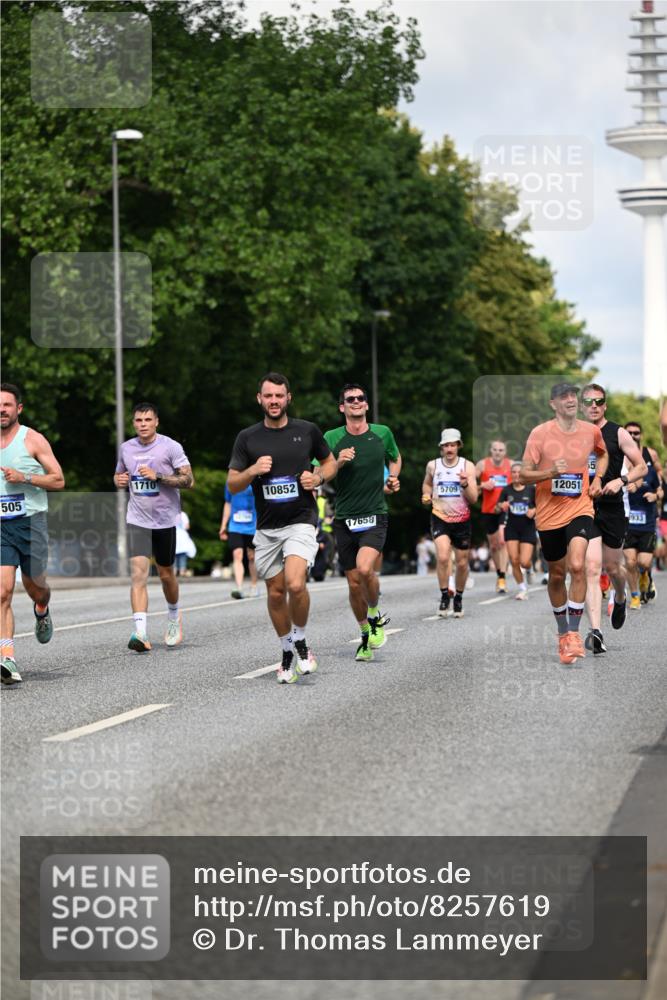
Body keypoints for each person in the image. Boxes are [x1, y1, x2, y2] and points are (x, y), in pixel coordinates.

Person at [227, 372, 336, 684]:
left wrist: (318, 477)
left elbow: (329, 463)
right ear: (259, 399)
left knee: (296, 584)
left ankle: (300, 640)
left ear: (288, 398)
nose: (273, 401)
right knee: (276, 593)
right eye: (268, 396)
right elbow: (233, 484)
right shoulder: (247, 438)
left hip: (300, 521)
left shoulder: (307, 431)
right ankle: (287, 650)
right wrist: (252, 470)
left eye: (279, 395)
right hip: (267, 528)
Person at [520, 383, 607, 664]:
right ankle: (562, 632)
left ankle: (573, 633)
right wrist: (548, 473)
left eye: (573, 396)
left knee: (578, 565)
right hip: (548, 515)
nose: (570, 400)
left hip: (580, 508)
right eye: (563, 397)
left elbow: (602, 454)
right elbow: (522, 475)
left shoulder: (590, 431)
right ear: (553, 404)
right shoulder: (540, 434)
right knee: (557, 574)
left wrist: (597, 478)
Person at [323, 384, 401, 663]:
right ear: (342, 407)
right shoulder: (331, 437)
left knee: (366, 568)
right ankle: (365, 634)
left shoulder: (382, 433)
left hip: (374, 514)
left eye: (360, 398)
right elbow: (319, 473)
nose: (356, 402)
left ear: (366, 405)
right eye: (350, 399)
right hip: (344, 518)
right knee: (354, 584)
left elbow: (396, 457)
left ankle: (374, 613)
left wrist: (393, 478)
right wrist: (338, 462)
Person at [114, 402, 194, 652]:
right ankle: (140, 632)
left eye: (148, 420)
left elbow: (189, 480)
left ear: (156, 422)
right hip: (137, 519)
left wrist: (158, 476)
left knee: (166, 574)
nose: (143, 425)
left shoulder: (170, 447)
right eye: (139, 420)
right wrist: (119, 480)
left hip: (165, 520)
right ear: (133, 423)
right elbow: (119, 475)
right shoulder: (126, 448)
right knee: (138, 574)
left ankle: (174, 617)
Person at [1, 383, 65, 685]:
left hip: (30, 523)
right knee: (2, 591)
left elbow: (58, 480)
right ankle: (7, 658)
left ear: (18, 409)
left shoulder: (32, 439)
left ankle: (42, 608)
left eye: (7, 405)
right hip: (2, 526)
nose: (1, 410)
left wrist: (24, 477)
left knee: (35, 587)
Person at [579, 385, 646, 653]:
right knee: (591, 568)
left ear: (605, 405)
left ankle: (620, 596)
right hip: (585, 508)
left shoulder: (618, 433)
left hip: (613, 509)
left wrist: (621, 480)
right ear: (582, 406)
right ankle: (596, 632)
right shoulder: (573, 434)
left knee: (612, 567)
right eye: (588, 401)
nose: (594, 405)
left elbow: (641, 466)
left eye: (599, 401)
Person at [421, 428, 478, 618]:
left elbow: (474, 498)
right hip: (440, 517)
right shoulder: (433, 466)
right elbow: (427, 484)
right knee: (443, 557)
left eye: (453, 445)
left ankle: (458, 597)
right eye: (446, 445)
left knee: (462, 563)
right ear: (441, 448)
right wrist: (426, 494)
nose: (449, 449)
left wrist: (465, 484)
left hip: (462, 519)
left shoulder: (467, 466)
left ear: (458, 446)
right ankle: (445, 594)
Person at [623, 421, 663, 606]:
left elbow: (660, 482)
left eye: (636, 432)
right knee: (630, 562)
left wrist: (655, 495)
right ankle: (635, 596)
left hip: (647, 518)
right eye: (629, 432)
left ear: (641, 435)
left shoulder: (650, 454)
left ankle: (645, 575)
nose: (633, 436)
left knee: (644, 563)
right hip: (626, 518)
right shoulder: (618, 456)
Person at [495, 461, 537, 600]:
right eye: (514, 472)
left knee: (524, 561)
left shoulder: (531, 489)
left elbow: (542, 506)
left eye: (519, 472)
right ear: (511, 474)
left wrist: (534, 511)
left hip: (527, 527)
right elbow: (496, 508)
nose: (517, 474)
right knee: (514, 560)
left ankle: (529, 568)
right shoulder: (506, 490)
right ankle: (523, 589)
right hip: (511, 528)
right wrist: (501, 506)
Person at [476, 440, 512, 593]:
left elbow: (519, 484)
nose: (498, 452)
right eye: (495, 449)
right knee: (494, 545)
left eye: (501, 450)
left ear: (505, 452)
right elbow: (469, 486)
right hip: (488, 510)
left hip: (505, 509)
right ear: (491, 450)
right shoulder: (482, 465)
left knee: (503, 542)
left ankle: (502, 577)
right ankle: (499, 574)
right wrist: (482, 485)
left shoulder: (511, 465)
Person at [219, 483, 258, 598]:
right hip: (235, 526)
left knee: (252, 556)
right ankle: (239, 587)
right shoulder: (231, 483)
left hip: (252, 526)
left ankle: (254, 586)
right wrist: (223, 525)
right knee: (237, 554)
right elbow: (228, 503)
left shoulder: (254, 480)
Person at [174, 510, 195, 576]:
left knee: (172, 557)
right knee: (182, 557)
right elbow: (187, 526)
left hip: (173, 536)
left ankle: (174, 572)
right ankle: (182, 572)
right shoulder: (183, 514)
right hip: (182, 538)